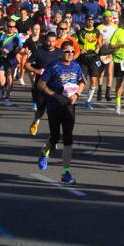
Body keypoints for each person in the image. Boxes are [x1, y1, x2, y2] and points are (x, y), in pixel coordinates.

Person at [37, 39, 86, 185]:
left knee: (68, 138)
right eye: (67, 51)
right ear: (61, 52)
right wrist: (54, 95)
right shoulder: (53, 66)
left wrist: (77, 95)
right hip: (54, 105)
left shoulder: (76, 66)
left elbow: (82, 82)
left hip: (70, 105)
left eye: (72, 51)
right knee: (54, 137)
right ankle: (45, 151)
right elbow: (41, 84)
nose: (70, 54)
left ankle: (65, 173)